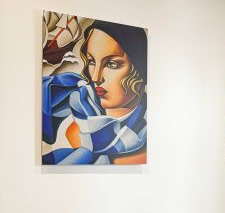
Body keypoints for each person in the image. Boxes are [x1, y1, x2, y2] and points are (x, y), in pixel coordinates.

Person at [42, 20, 147, 165]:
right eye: (91, 61)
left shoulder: (151, 139)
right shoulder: (72, 116)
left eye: (111, 64)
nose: (96, 77)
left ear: (140, 69)